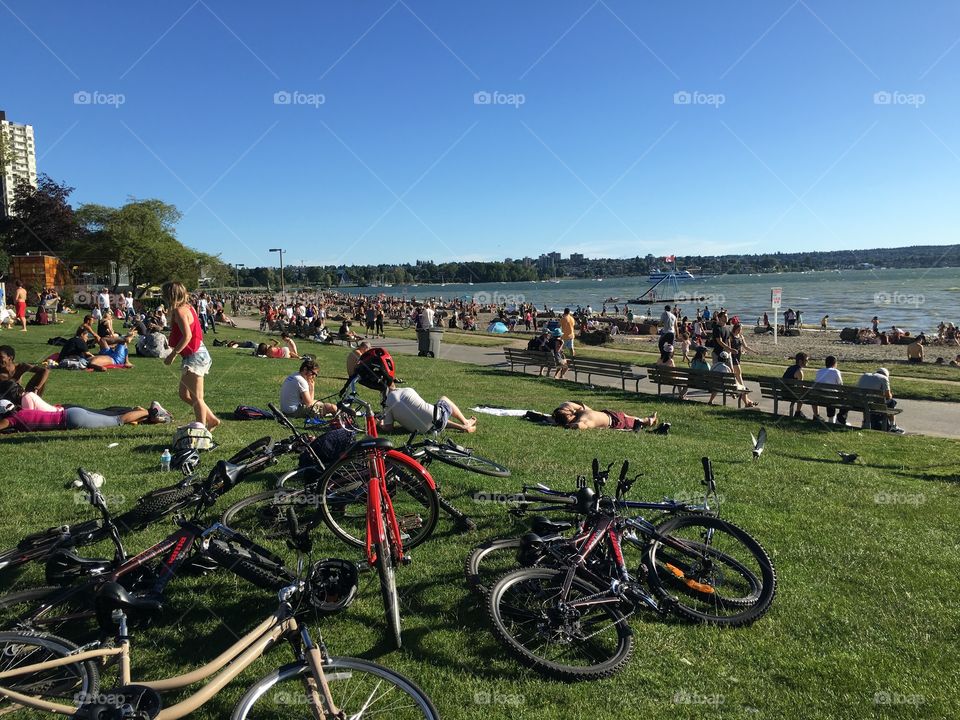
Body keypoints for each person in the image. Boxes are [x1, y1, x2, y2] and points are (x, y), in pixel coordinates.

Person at [162, 281, 218, 430]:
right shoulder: (188, 308)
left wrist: (173, 354)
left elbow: (187, 336)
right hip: (194, 355)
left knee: (197, 397)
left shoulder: (181, 311)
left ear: (170, 296)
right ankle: (211, 419)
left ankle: (201, 428)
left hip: (195, 356)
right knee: (183, 394)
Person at [0, 396, 171, 434]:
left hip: (71, 419)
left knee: (117, 421)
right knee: (114, 420)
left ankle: (151, 411)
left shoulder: (12, 419)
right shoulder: (21, 413)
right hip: (70, 414)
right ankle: (151, 417)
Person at [381, 381, 477, 434]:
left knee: (431, 417)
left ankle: (463, 426)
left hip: (426, 431)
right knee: (444, 399)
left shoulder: (387, 405)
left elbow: (388, 428)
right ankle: (465, 422)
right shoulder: (408, 390)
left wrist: (379, 423)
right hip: (436, 421)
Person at [551, 401, 658, 431]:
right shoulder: (584, 419)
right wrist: (567, 426)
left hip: (608, 414)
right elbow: (580, 426)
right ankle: (649, 420)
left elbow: (568, 404)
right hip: (616, 421)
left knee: (626, 416)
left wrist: (564, 412)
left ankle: (648, 420)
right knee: (631, 420)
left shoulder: (580, 413)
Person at [857, 367, 904, 434]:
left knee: (867, 402)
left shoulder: (864, 376)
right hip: (873, 405)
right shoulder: (884, 378)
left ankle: (865, 422)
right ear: (886, 375)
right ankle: (893, 426)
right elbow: (888, 396)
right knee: (892, 402)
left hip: (859, 403)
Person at [812, 355, 847, 426]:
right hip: (831, 398)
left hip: (819, 397)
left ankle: (831, 419)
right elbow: (840, 386)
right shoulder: (836, 372)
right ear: (834, 364)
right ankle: (840, 419)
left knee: (830, 394)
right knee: (842, 398)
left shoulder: (819, 371)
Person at [782, 352, 808, 418]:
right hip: (790, 394)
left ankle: (798, 412)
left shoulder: (790, 368)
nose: (807, 362)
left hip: (783, 392)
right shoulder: (799, 371)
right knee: (804, 392)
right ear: (800, 361)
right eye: (806, 360)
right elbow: (800, 387)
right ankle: (798, 412)